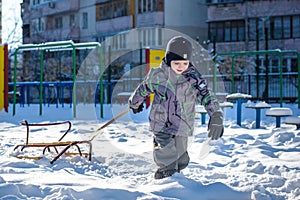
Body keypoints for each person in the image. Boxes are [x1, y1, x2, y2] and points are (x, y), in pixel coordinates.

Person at [128, 36, 224, 179]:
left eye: (184, 63)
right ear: (168, 60)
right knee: (166, 153)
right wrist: (135, 102)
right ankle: (165, 176)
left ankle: (177, 175)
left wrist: (216, 114)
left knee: (181, 157)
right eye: (177, 62)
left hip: (182, 124)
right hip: (161, 122)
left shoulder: (193, 78)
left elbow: (206, 95)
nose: (181, 66)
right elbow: (144, 88)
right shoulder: (158, 75)